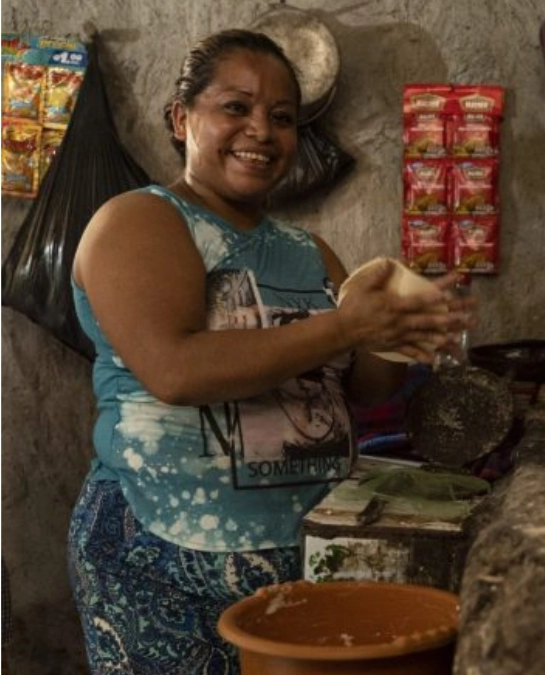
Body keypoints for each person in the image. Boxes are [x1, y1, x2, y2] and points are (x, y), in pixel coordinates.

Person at [66, 29, 470, 673]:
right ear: (181, 117)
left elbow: (362, 392)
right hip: (167, 558)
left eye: (282, 118)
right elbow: (175, 370)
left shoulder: (310, 251)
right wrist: (345, 327)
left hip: (298, 560)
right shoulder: (142, 220)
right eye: (236, 107)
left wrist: (396, 333)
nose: (262, 130)